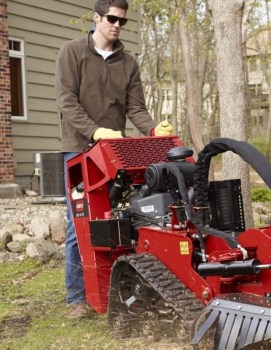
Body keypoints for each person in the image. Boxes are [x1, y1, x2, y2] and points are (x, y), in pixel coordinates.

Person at [55, 0, 173, 319]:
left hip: (113, 156)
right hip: (80, 152)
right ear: (96, 18)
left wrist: (152, 129)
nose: (117, 25)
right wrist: (94, 131)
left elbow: (135, 108)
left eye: (122, 20)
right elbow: (66, 100)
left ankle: (119, 290)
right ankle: (77, 298)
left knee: (123, 221)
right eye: (111, 18)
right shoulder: (72, 52)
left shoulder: (128, 62)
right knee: (79, 226)